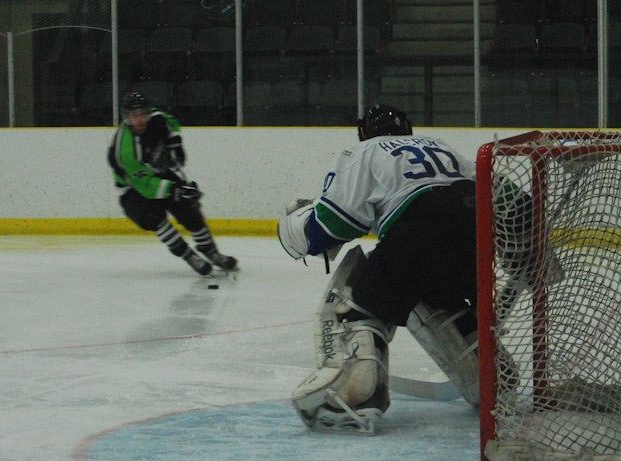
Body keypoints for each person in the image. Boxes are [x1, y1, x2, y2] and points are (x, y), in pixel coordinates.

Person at [277, 104, 482, 434]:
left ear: (364, 133)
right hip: (476, 237)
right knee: (439, 298)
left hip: (420, 232)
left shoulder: (364, 151)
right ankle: (490, 379)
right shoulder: (441, 146)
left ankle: (354, 398)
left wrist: (295, 229)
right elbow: (501, 192)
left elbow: (333, 225)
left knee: (354, 303)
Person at [107, 91, 237, 275]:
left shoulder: (157, 118)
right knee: (154, 218)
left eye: (143, 113)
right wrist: (174, 188)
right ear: (126, 117)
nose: (140, 120)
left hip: (159, 174)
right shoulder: (125, 150)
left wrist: (175, 142)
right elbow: (146, 187)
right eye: (134, 116)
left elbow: (171, 123)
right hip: (133, 190)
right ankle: (188, 255)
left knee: (188, 208)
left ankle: (211, 251)